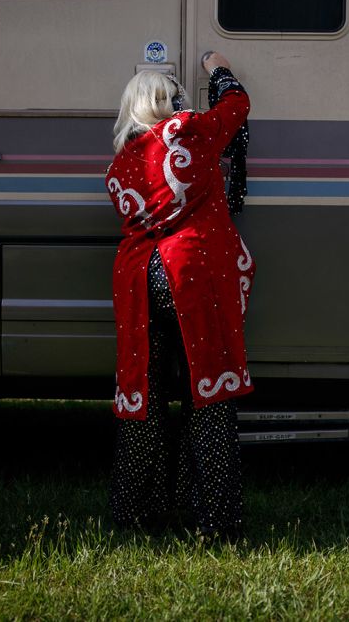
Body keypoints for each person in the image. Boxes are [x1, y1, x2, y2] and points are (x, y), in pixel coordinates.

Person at [105, 51, 253, 538]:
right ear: (170, 103)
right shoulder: (189, 131)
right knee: (206, 394)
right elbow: (237, 107)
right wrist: (220, 71)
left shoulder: (122, 162)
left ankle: (134, 517)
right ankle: (214, 522)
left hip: (137, 277)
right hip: (189, 274)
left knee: (145, 399)